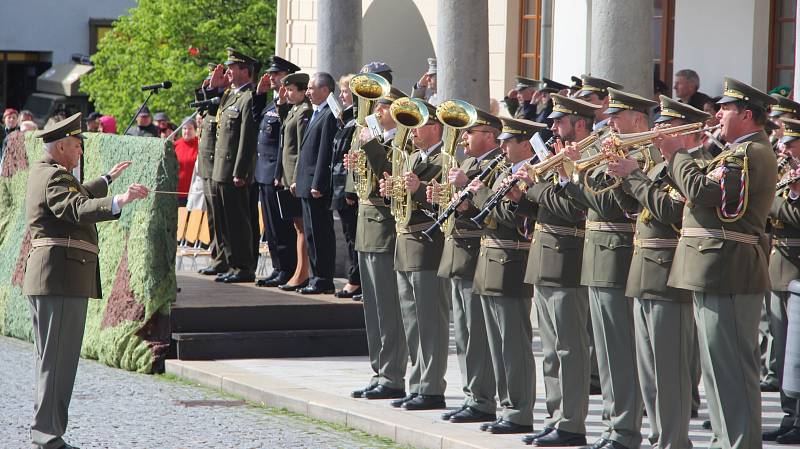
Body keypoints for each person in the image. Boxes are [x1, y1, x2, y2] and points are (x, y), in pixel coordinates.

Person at [657, 77, 777, 449]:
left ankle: (738, 442)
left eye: (725, 108)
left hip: (728, 268)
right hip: (716, 268)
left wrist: (678, 154)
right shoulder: (733, 152)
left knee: (731, 371)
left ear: (746, 114)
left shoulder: (749, 153)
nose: (718, 114)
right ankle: (726, 440)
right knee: (715, 369)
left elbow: (709, 196)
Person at [24, 112, 149, 449]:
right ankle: (47, 436)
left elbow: (74, 193)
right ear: (62, 146)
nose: (80, 152)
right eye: (77, 146)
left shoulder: (49, 173)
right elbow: (76, 207)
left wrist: (106, 178)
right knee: (58, 362)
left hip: (54, 277)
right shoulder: (54, 178)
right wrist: (121, 200)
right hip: (60, 278)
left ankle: (45, 432)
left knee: (52, 360)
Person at [606, 96, 712, 449]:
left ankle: (674, 441)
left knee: (669, 371)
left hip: (669, 275)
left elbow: (669, 210)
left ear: (686, 132)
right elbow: (635, 210)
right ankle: (658, 438)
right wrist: (621, 178)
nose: (658, 133)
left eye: (667, 127)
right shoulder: (660, 165)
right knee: (650, 372)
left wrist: (633, 176)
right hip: (645, 272)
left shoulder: (698, 164)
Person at [560, 87, 655, 449]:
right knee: (605, 350)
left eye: (617, 116)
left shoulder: (638, 154)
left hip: (616, 256)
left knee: (618, 352)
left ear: (638, 120)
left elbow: (613, 205)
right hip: (597, 256)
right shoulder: (612, 152)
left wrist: (572, 181)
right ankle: (611, 427)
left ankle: (625, 429)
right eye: (609, 116)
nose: (609, 121)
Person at [512, 94, 599, 447]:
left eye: (559, 122)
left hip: (568, 260)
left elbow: (575, 209)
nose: (552, 127)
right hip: (545, 258)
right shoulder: (558, 157)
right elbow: (547, 210)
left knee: (569, 348)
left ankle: (573, 422)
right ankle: (556, 416)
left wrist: (533, 188)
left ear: (579, 124)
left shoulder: (589, 159)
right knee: (550, 350)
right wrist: (522, 198)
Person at [463, 117, 544, 435]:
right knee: (496, 344)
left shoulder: (531, 172)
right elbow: (488, 216)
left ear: (526, 144)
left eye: (509, 141)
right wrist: (467, 204)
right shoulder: (501, 171)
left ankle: (520, 410)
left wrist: (480, 197)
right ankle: (508, 406)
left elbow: (512, 217)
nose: (503, 146)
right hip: (489, 259)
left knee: (513, 344)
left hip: (511, 260)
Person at [376, 100, 449, 411]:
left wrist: (418, 189)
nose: (412, 133)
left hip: (427, 245)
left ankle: (432, 386)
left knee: (430, 320)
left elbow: (445, 205)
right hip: (405, 243)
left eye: (418, 126)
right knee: (412, 320)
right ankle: (418, 382)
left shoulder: (445, 160)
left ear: (434, 127)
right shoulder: (412, 158)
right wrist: (391, 189)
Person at [429, 108, 501, 425]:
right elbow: (457, 208)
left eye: (470, 133)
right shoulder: (470, 164)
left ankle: (483, 399)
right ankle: (471, 394)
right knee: (462, 333)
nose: (464, 138)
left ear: (488, 135)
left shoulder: (494, 165)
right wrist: (437, 197)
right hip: (458, 254)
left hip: (476, 254)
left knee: (476, 334)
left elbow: (488, 213)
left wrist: (466, 184)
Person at [347, 79, 408, 401]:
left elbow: (388, 178)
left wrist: (369, 147)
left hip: (384, 231)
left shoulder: (400, 142)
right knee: (372, 310)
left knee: (388, 310)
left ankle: (393, 373)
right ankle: (379, 370)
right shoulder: (373, 139)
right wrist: (355, 164)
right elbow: (364, 186)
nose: (376, 111)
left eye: (382, 106)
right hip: (365, 229)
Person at [762, 116, 800, 444]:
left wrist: (768, 202)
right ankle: (790, 416)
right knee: (782, 353)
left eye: (790, 142)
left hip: (797, 269)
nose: (783, 147)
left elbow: (794, 215)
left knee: (798, 352)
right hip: (778, 267)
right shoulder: (786, 173)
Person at [209, 48, 260, 284]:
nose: (228, 71)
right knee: (225, 221)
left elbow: (246, 139)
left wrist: (241, 171)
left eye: (232, 67)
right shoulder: (230, 95)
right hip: (220, 169)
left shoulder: (248, 98)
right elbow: (211, 115)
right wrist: (213, 87)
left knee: (238, 222)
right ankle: (232, 263)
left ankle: (244, 266)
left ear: (245, 71)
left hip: (233, 170)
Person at [253, 55, 302, 288]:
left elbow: (286, 140)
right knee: (270, 227)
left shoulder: (292, 107)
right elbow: (255, 125)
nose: (271, 77)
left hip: (277, 172)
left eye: (277, 74)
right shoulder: (272, 103)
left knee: (283, 227)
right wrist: (259, 95)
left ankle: (287, 268)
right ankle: (277, 267)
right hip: (263, 172)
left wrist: (280, 174)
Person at [294, 72, 338, 294]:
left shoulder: (329, 115)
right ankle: (315, 277)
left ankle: (322, 279)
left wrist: (318, 184)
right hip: (305, 182)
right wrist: (296, 179)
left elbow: (324, 153)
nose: (308, 92)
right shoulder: (316, 113)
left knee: (319, 234)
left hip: (316, 186)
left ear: (325, 90)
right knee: (311, 234)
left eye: (312, 88)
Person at [274, 72, 312, 290]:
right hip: (288, 177)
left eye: (290, 90)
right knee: (297, 227)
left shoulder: (304, 111)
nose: (287, 93)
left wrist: (297, 177)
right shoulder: (295, 110)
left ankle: (302, 272)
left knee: (301, 228)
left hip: (296, 178)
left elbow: (300, 149)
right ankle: (300, 271)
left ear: (302, 90)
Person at [195, 62, 230, 277]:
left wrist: (215, 89)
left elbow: (214, 110)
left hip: (217, 166)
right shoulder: (213, 100)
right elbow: (202, 109)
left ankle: (223, 259)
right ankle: (217, 256)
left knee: (221, 217)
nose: (212, 78)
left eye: (215, 75)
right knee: (212, 217)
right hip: (207, 166)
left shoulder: (226, 98)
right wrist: (204, 89)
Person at [329, 74, 361, 298]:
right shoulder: (345, 117)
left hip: (350, 188)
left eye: (345, 92)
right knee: (350, 235)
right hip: (340, 184)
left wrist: (350, 189)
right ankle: (355, 278)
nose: (341, 95)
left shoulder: (359, 119)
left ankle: (355, 280)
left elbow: (354, 158)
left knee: (354, 237)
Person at [174, 117, 199, 207]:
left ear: (195, 130)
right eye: (184, 128)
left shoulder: (201, 145)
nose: (187, 131)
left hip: (195, 192)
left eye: (190, 128)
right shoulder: (175, 145)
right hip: (178, 192)